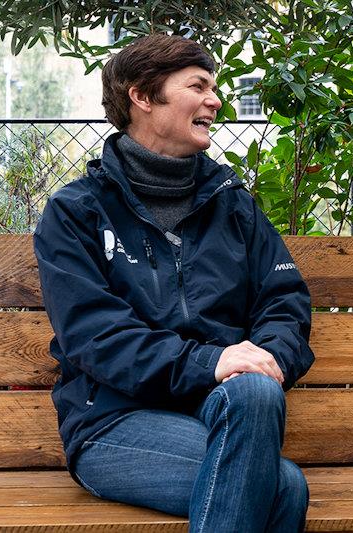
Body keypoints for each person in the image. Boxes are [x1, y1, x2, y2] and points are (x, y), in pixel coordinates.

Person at [33, 34, 314, 532]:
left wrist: (262, 361)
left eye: (215, 87)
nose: (216, 100)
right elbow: (95, 336)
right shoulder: (77, 213)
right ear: (142, 96)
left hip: (226, 412)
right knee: (283, 487)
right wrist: (212, 361)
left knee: (254, 393)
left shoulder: (235, 207)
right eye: (198, 85)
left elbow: (284, 303)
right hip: (114, 422)